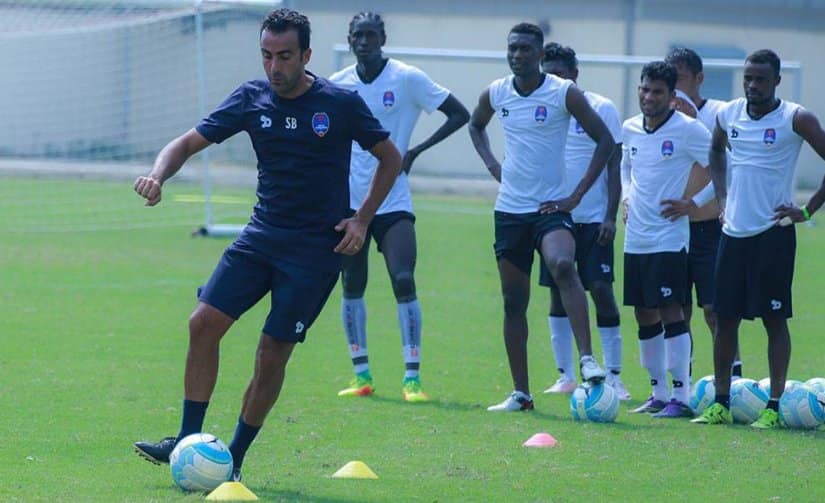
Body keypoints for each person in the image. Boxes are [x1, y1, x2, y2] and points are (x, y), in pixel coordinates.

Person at [132, 8, 402, 480]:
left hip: (316, 252)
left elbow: (389, 157)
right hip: (260, 237)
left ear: (306, 56)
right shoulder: (251, 98)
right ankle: (187, 440)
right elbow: (185, 143)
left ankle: (232, 459)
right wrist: (157, 176)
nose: (274, 67)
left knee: (271, 352)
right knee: (203, 324)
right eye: (266, 55)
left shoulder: (339, 104)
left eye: (284, 56)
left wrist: (362, 220)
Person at [469, 23, 614, 412]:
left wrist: (576, 195)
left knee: (563, 264)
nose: (518, 55)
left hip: (551, 210)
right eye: (513, 48)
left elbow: (605, 141)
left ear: (539, 52)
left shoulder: (563, 92)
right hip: (510, 211)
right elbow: (475, 124)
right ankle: (522, 394)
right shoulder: (497, 92)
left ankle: (586, 360)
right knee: (513, 302)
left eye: (526, 49)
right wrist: (492, 165)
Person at [328, 12, 469, 402]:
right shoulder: (338, 86)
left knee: (403, 278)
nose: (364, 42)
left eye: (371, 35)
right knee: (352, 285)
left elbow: (460, 113)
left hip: (393, 201)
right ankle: (362, 376)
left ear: (383, 38)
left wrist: (415, 152)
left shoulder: (407, 79)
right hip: (351, 205)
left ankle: (412, 379)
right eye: (357, 35)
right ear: (350, 39)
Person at [692, 49, 825, 428]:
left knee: (773, 318)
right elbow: (715, 150)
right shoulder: (728, 113)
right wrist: (721, 197)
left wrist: (808, 209)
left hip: (773, 235)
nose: (752, 85)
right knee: (723, 318)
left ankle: (774, 406)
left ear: (777, 81)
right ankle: (720, 402)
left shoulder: (795, 118)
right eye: (748, 78)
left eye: (761, 79)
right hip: (732, 234)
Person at [538, 43, 629, 401]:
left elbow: (614, 162)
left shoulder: (601, 108)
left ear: (575, 75)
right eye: (550, 75)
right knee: (557, 296)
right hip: (555, 218)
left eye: (562, 74)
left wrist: (610, 215)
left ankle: (615, 377)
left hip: (592, 220)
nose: (556, 81)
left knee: (601, 291)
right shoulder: (542, 109)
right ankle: (566, 375)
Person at [621, 61, 712, 418]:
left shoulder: (689, 130)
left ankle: (683, 395)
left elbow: (726, 167)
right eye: (644, 89)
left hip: (669, 239)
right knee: (644, 314)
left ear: (673, 96)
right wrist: (626, 195)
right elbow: (625, 166)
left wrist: (695, 203)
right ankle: (658, 392)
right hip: (636, 238)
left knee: (672, 313)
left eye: (657, 91)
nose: (648, 96)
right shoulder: (630, 128)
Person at [664, 47, 744, 380]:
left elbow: (731, 163)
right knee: (675, 309)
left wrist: (692, 121)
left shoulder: (720, 114)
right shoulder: (659, 115)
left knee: (714, 309)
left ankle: (734, 379)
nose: (674, 85)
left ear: (699, 78)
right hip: (671, 229)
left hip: (710, 228)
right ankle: (684, 382)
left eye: (679, 77)